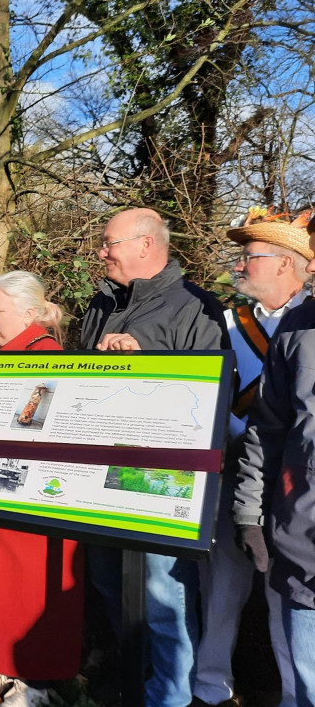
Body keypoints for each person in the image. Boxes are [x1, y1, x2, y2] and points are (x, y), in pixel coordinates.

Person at [80, 208, 227, 706]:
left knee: (163, 596)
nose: (101, 251)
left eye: (109, 242)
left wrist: (147, 361)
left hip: (158, 480)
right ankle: (132, 680)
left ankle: (172, 694)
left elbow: (209, 396)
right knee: (106, 582)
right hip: (95, 471)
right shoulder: (101, 304)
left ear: (145, 245)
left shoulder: (196, 307)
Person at [0, 271, 83, 707]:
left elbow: (31, 422)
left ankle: (32, 681)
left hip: (28, 496)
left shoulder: (48, 356)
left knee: (26, 592)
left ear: (29, 314)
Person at [193, 209, 310, 707]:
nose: (238, 265)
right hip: (233, 472)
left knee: (290, 602)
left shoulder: (306, 323)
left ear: (286, 265)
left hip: (293, 489)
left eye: (250, 256)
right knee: (222, 586)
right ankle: (209, 687)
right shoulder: (221, 322)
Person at [234, 216, 315, 707]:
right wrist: (250, 513)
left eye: (251, 256)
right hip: (301, 546)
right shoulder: (297, 329)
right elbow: (268, 429)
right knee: (305, 687)